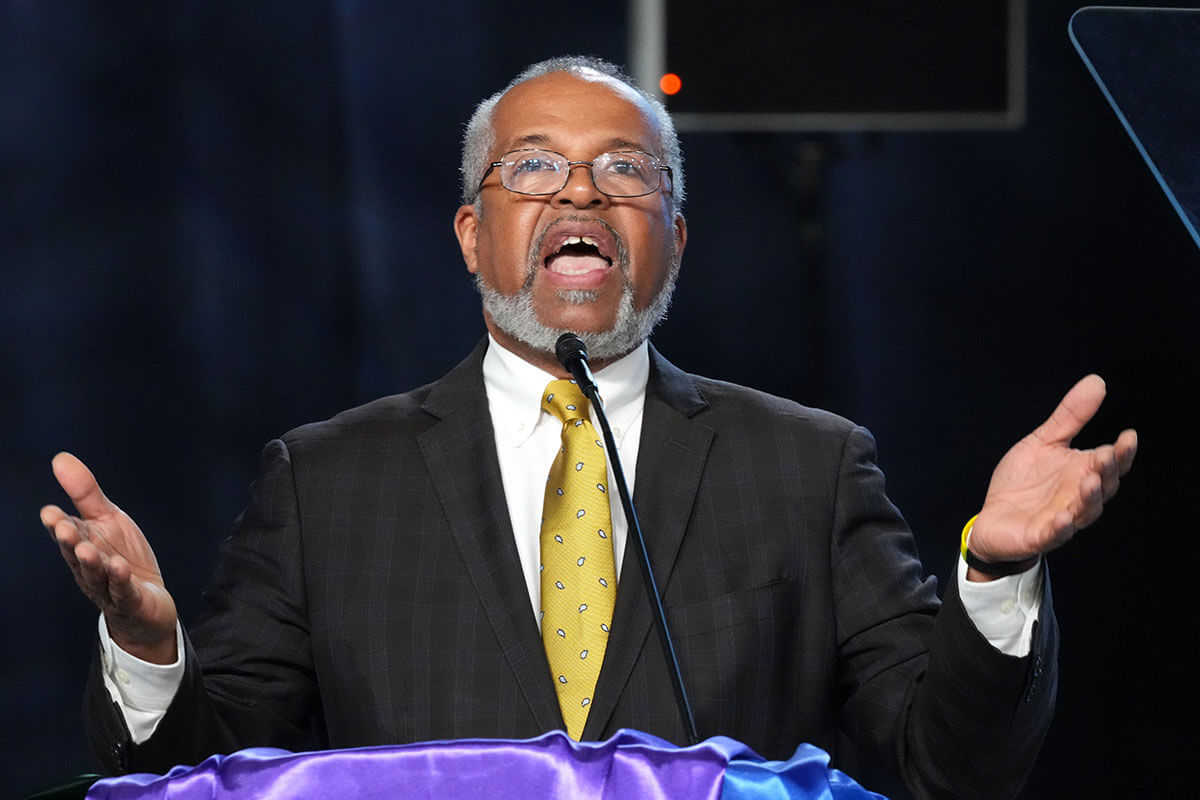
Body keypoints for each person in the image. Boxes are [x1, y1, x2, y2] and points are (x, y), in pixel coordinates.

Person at [42, 56, 1137, 800]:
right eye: (533, 166)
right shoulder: (324, 481)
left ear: (675, 240)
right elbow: (208, 777)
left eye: (625, 169)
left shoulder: (810, 465)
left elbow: (950, 769)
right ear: (471, 234)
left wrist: (995, 573)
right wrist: (149, 647)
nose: (580, 194)